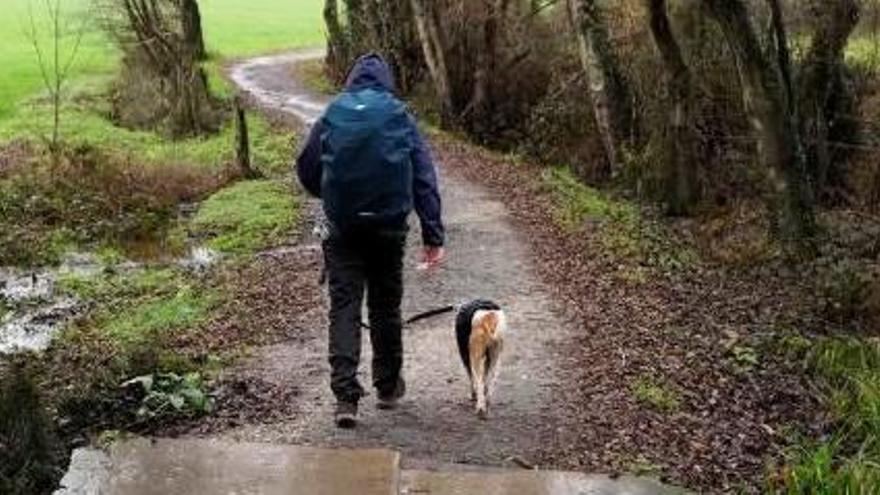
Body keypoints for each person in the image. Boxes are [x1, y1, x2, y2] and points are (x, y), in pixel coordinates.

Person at [296, 53, 445, 428]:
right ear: (386, 82)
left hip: (342, 228)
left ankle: (346, 398)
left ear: (351, 80)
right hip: (389, 228)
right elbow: (424, 177)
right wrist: (432, 233)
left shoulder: (334, 112)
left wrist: (330, 196)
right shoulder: (399, 114)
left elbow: (307, 167)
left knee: (344, 306)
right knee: (384, 306)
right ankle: (388, 386)